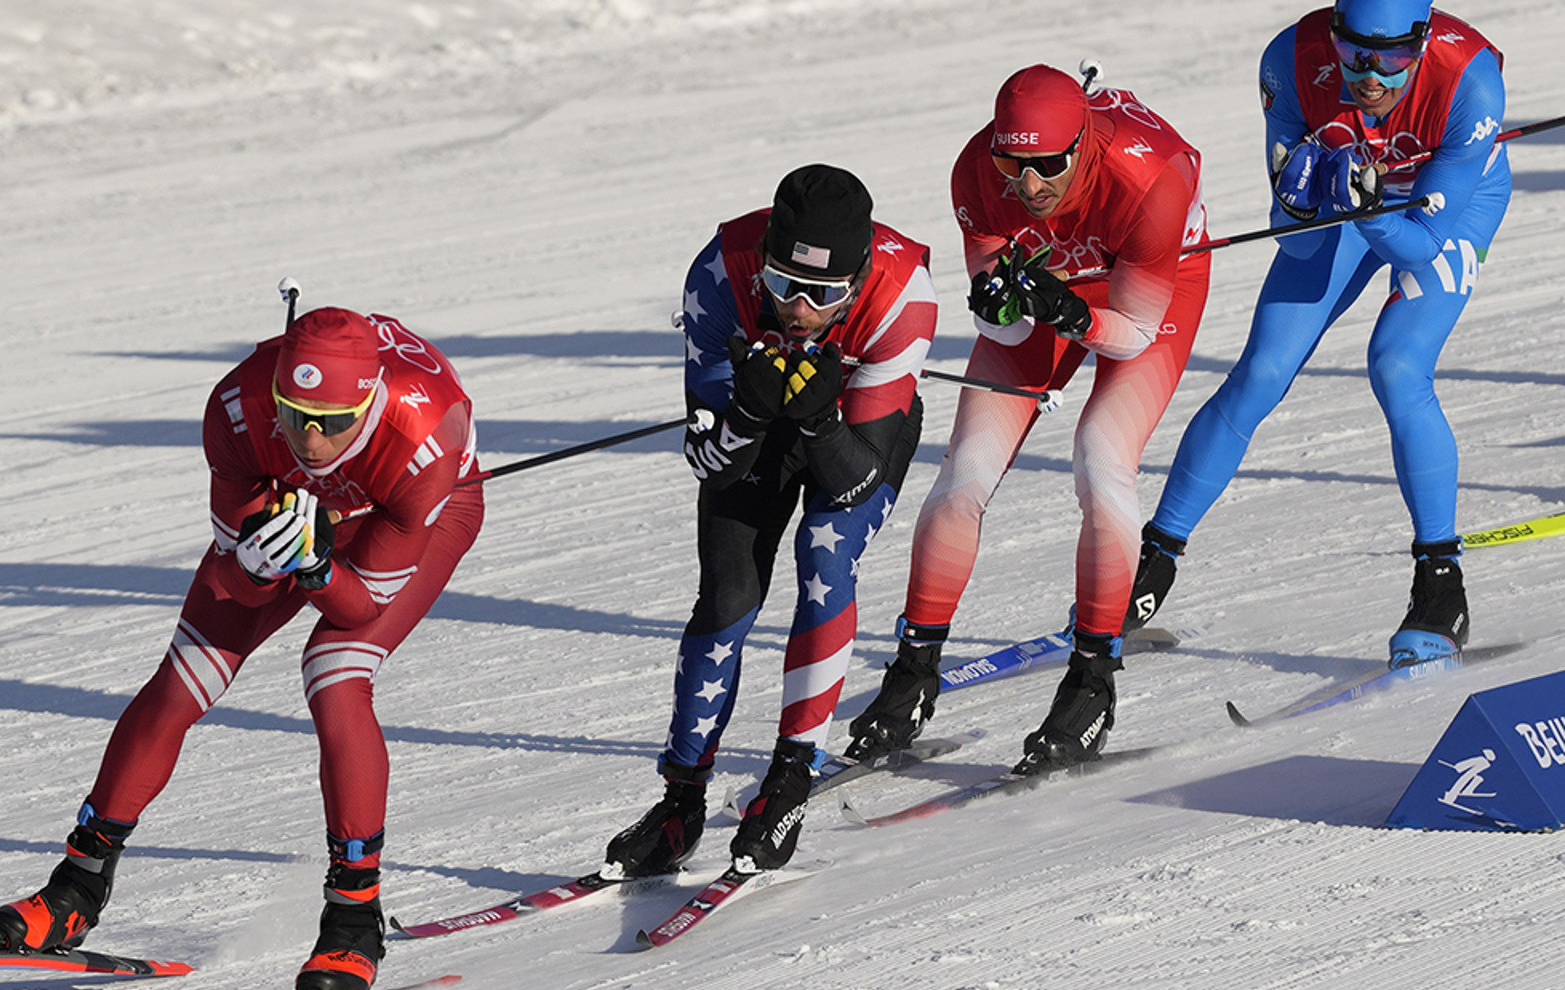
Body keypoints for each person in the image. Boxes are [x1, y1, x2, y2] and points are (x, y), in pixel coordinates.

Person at [0, 306, 483, 990]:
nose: (311, 438)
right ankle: (77, 883)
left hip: (408, 511)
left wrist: (315, 571)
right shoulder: (239, 406)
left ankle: (353, 915)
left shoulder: (426, 434)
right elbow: (236, 582)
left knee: (334, 676)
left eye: (332, 421)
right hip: (302, 507)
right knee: (186, 673)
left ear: (368, 402)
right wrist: (253, 558)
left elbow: (360, 607)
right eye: (296, 413)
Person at [850, 64, 1211, 776]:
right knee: (963, 478)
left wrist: (1067, 309)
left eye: (1048, 164)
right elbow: (1010, 339)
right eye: (1014, 163)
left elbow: (1135, 333)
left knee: (1101, 457)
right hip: (1057, 289)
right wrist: (1005, 305)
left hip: (1146, 296)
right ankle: (915, 669)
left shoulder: (1150, 179)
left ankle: (1092, 679)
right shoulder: (977, 174)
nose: (1030, 183)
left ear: (1081, 145)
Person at [1126, 0, 1507, 669]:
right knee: (1261, 372)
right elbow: (1298, 247)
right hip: (1350, 194)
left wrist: (1367, 206)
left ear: (1421, 43)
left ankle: (1441, 585)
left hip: (1442, 208)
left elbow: (1420, 247)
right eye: (1356, 53)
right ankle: (1152, 565)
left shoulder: (1469, 79)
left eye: (1393, 59)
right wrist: (1300, 202)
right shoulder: (1292, 62)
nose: (1371, 77)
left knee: (1396, 364)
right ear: (1333, 37)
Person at [603, 163, 938, 880]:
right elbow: (709, 461)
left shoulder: (903, 293)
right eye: (784, 287)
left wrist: (819, 420)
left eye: (824, 297)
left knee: (825, 558)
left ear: (859, 278)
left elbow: (855, 484)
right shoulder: (721, 273)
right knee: (726, 596)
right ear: (764, 270)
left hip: (851, 434)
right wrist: (749, 411)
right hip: (760, 430)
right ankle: (679, 800)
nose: (800, 311)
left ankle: (789, 779)